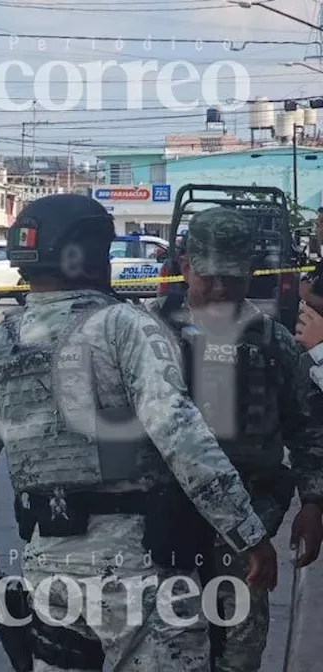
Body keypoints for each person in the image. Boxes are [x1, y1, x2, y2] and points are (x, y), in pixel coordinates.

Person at [0, 194, 276, 672]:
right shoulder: (127, 328)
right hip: (142, 577)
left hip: (49, 581)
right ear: (94, 256)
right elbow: (184, 440)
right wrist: (247, 533)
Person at [147, 208, 323, 672]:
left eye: (233, 277)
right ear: (185, 266)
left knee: (238, 658)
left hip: (248, 531)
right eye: (209, 276)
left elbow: (308, 428)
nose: (221, 288)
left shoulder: (273, 344)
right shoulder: (145, 336)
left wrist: (314, 502)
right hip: (160, 532)